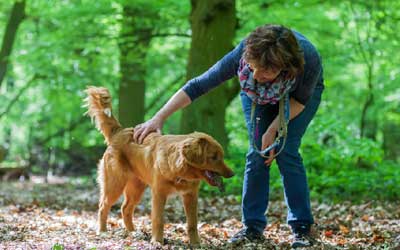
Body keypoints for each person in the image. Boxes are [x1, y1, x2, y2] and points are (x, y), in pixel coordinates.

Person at [133, 24, 324, 248]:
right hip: (256, 95)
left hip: (297, 99)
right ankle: (252, 227)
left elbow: (300, 101)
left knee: (286, 151)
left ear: (283, 67)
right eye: (253, 67)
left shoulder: (308, 60)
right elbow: (197, 86)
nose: (256, 74)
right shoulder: (245, 57)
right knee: (257, 153)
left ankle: (302, 228)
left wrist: (274, 130)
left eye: (264, 71)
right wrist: (158, 118)